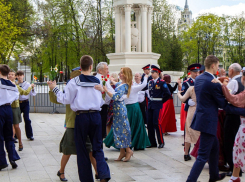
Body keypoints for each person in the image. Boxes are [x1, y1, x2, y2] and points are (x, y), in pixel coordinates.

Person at [48, 55, 110, 182]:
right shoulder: (98, 81)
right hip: (96, 115)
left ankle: (87, 179)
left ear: (81, 67)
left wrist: (54, 88)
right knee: (97, 148)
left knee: (82, 151)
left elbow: (65, 99)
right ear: (91, 67)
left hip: (82, 116)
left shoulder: (74, 82)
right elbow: (103, 101)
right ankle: (103, 174)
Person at [186, 55, 245, 182]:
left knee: (215, 148)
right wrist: (242, 111)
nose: (218, 68)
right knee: (202, 156)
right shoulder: (212, 82)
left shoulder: (199, 78)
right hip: (209, 122)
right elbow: (224, 105)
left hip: (202, 118)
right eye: (218, 65)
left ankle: (214, 176)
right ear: (213, 65)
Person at [49, 69, 98, 181]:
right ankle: (61, 171)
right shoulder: (71, 88)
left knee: (90, 149)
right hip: (73, 124)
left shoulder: (89, 87)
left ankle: (97, 172)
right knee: (69, 150)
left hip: (85, 123)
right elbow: (59, 99)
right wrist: (52, 89)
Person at [104, 72, 151, 150]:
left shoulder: (133, 87)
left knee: (131, 126)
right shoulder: (124, 85)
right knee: (128, 126)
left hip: (133, 108)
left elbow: (143, 85)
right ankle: (126, 145)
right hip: (128, 108)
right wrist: (110, 80)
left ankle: (128, 145)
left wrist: (145, 77)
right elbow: (117, 83)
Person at [103, 67, 133, 162]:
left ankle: (128, 150)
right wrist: (110, 80)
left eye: (122, 73)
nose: (120, 74)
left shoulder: (125, 86)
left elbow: (116, 97)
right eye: (120, 73)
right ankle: (122, 152)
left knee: (122, 129)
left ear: (126, 75)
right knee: (118, 130)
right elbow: (116, 83)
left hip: (120, 108)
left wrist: (106, 90)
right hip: (117, 108)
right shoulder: (122, 84)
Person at [224, 63, 244, 176]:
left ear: (231, 70)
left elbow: (227, 97)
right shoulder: (242, 82)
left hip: (233, 116)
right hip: (241, 118)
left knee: (230, 141)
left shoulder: (233, 82)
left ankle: (233, 168)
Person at [0, 64, 20, 170]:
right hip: (8, 109)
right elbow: (16, 96)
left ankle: (2, 162)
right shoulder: (12, 85)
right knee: (9, 135)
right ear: (8, 73)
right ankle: (12, 158)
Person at [8, 70, 34, 151]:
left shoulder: (19, 84)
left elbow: (26, 93)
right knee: (11, 124)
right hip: (9, 105)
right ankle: (13, 139)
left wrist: (31, 87)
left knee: (24, 120)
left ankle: (26, 138)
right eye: (9, 74)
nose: (11, 76)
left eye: (12, 74)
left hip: (20, 105)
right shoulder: (6, 83)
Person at [147, 65, 171, 149]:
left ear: (157, 73)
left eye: (153, 72)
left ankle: (161, 142)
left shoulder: (162, 82)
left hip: (157, 104)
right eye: (151, 72)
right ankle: (152, 142)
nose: (152, 74)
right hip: (150, 105)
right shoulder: (150, 82)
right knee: (149, 124)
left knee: (156, 123)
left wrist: (161, 101)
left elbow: (168, 94)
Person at [177, 86, 200, 161]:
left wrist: (178, 94)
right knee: (199, 133)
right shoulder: (206, 87)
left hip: (192, 111)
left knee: (189, 132)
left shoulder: (192, 88)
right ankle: (198, 154)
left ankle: (186, 154)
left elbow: (183, 99)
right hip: (201, 110)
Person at [16, 70, 37, 140]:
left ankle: (29, 135)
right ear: (16, 76)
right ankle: (15, 135)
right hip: (18, 103)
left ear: (23, 76)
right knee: (16, 120)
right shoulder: (15, 84)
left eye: (21, 75)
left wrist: (33, 88)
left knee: (27, 119)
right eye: (18, 75)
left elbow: (32, 94)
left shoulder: (27, 84)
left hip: (25, 103)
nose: (19, 77)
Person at [95, 62, 111, 139]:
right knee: (100, 127)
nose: (108, 71)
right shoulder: (98, 79)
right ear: (100, 70)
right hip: (100, 106)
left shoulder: (105, 78)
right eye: (106, 69)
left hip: (104, 105)